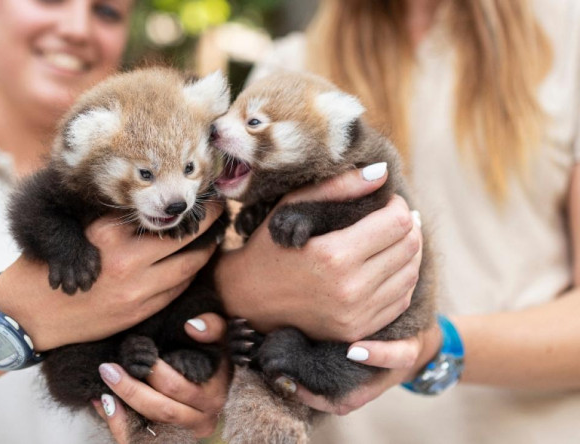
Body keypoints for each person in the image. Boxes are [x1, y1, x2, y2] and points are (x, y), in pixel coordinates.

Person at [0, 0, 422, 443]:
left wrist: (204, 380)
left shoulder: (195, 176)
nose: (76, 25)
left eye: (106, 10)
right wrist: (32, 312)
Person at [230, 0, 580, 442]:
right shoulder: (291, 69)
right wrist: (242, 289)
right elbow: (235, 258)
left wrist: (434, 347)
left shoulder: (568, 37)